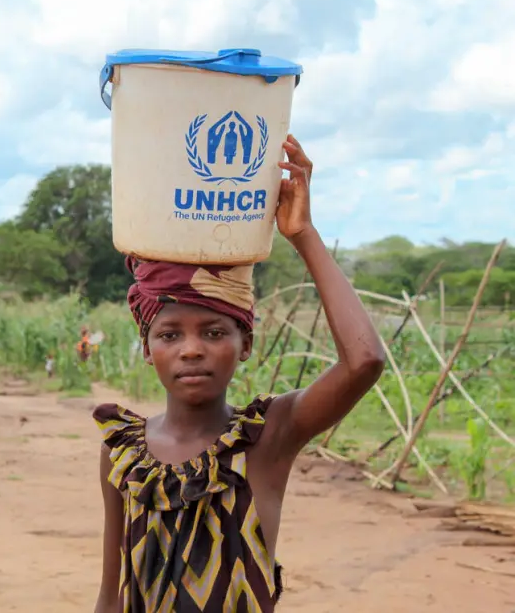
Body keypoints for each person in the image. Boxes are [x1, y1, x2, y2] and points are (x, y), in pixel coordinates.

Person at [92, 135, 385, 612]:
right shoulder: (122, 454)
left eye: (213, 332)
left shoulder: (267, 438)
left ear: (244, 344)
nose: (191, 350)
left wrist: (303, 235)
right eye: (169, 335)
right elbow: (111, 591)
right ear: (147, 349)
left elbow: (364, 361)